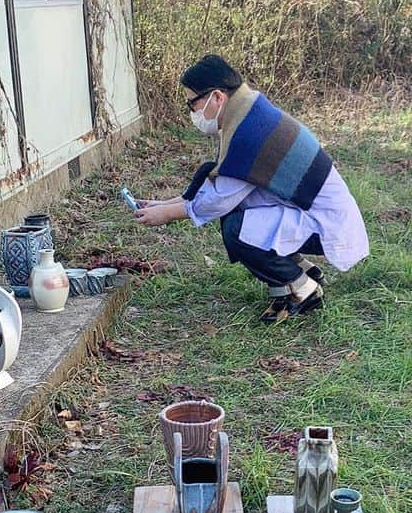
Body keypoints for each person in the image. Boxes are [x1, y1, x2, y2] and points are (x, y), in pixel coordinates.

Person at [134, 55, 369, 323]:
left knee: (236, 228)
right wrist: (162, 204)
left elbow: (220, 199)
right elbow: (222, 185)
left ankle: (301, 287)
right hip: (310, 211)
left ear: (218, 97)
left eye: (193, 103)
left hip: (327, 224)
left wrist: (167, 214)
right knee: (241, 219)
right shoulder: (248, 113)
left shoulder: (248, 131)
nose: (192, 112)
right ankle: (298, 271)